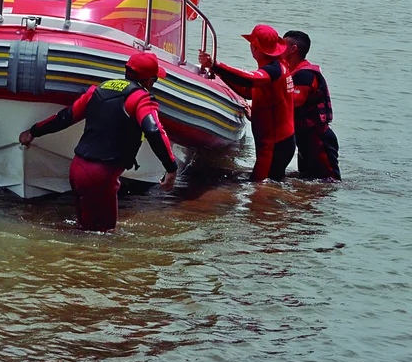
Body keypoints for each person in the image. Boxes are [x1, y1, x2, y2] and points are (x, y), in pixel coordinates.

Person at [19, 52, 178, 232]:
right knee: (104, 240)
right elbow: (154, 130)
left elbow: (65, 117)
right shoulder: (141, 98)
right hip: (101, 176)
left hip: (77, 168)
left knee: (84, 232)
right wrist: (171, 167)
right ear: (150, 81)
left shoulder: (97, 90)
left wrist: (34, 131)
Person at [199, 24, 295, 182]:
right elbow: (248, 91)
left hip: (274, 144)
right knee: (268, 186)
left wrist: (215, 65)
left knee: (260, 185)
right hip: (280, 141)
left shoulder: (273, 71)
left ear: (255, 47)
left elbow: (250, 80)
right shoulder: (279, 65)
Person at [283, 30, 341, 181]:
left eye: (281, 45)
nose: (278, 49)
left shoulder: (305, 75)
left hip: (318, 138)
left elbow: (295, 103)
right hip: (306, 136)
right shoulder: (295, 72)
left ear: (293, 49)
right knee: (308, 179)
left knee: (328, 181)